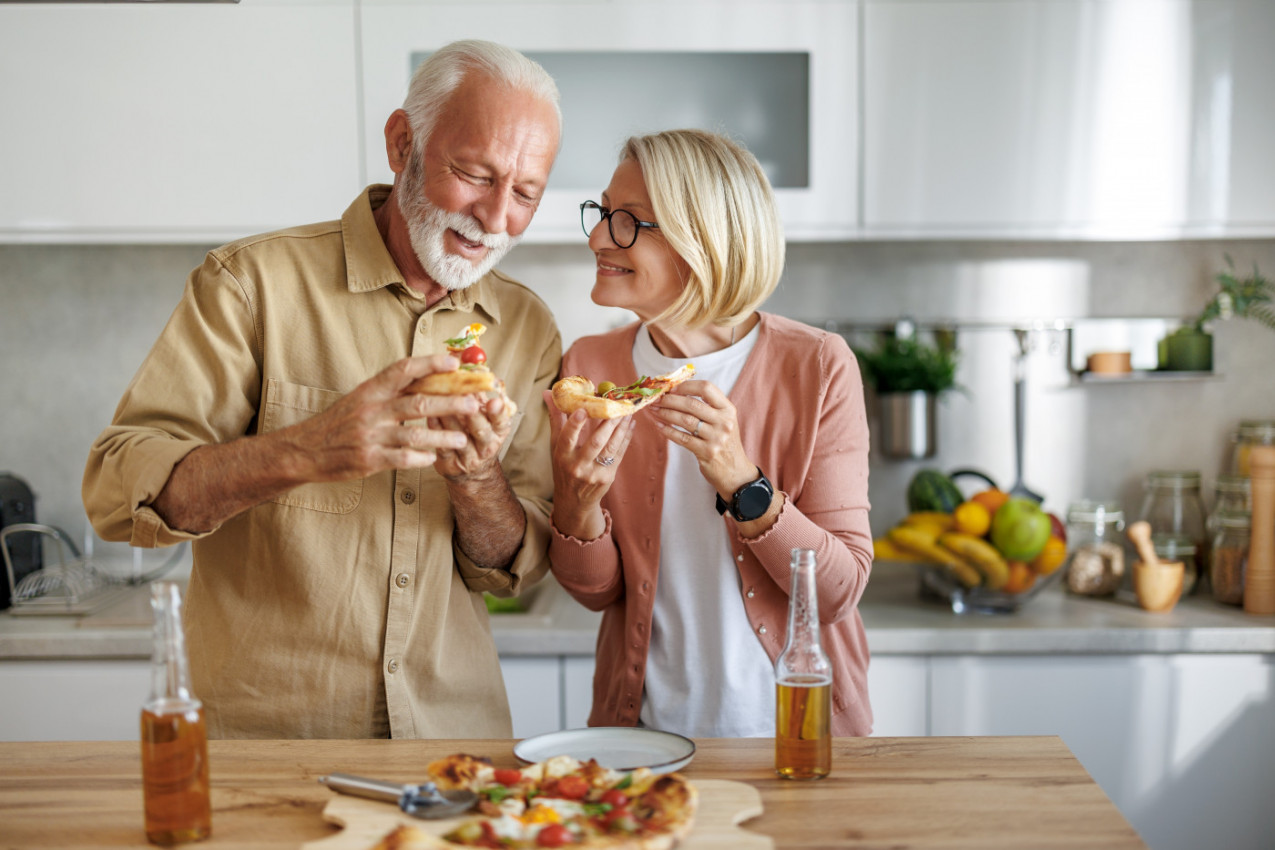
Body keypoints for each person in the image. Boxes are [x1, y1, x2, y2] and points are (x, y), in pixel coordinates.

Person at [82, 40, 564, 739]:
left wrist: (477, 479)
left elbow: (511, 570)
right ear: (403, 144)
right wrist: (308, 450)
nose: (494, 220)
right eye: (473, 174)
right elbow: (114, 488)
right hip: (267, 744)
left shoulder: (526, 326)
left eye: (524, 193)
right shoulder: (250, 286)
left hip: (453, 743)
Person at [546, 129, 874, 737]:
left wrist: (741, 480)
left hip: (795, 739)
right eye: (602, 213)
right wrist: (577, 503)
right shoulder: (590, 369)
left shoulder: (819, 365)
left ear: (702, 241)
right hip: (641, 742)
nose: (597, 237)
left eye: (628, 221)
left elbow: (837, 593)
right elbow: (594, 593)